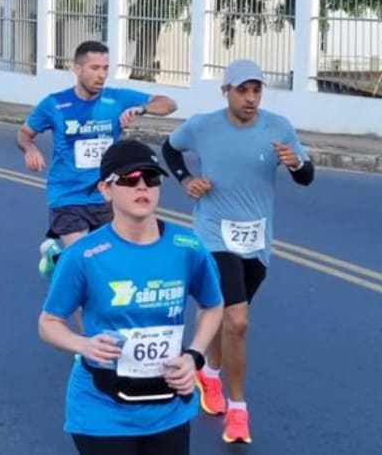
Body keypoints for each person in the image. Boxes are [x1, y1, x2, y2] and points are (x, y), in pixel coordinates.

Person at [161, 58, 314, 445]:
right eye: (242, 90)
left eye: (256, 90)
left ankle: (209, 373)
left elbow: (306, 176)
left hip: (257, 240)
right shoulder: (203, 126)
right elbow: (170, 148)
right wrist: (187, 180)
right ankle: (239, 409)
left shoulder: (278, 127)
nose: (250, 98)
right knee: (238, 321)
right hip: (214, 234)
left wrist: (296, 164)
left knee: (224, 317)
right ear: (225, 91)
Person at [38, 139, 224, 455]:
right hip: (101, 408)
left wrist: (194, 356)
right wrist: (83, 344)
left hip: (168, 407)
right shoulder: (84, 255)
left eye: (151, 178)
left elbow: (213, 305)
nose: (143, 186)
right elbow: (49, 322)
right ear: (105, 190)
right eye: (129, 179)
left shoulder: (187, 247)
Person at [16, 41, 177, 278]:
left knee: (110, 265)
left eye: (105, 68)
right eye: (94, 68)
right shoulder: (55, 104)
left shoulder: (117, 99)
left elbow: (169, 104)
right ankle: (68, 265)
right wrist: (30, 149)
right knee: (87, 270)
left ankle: (57, 258)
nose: (101, 75)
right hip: (67, 196)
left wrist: (141, 109)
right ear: (77, 69)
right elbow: (24, 134)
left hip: (106, 196)